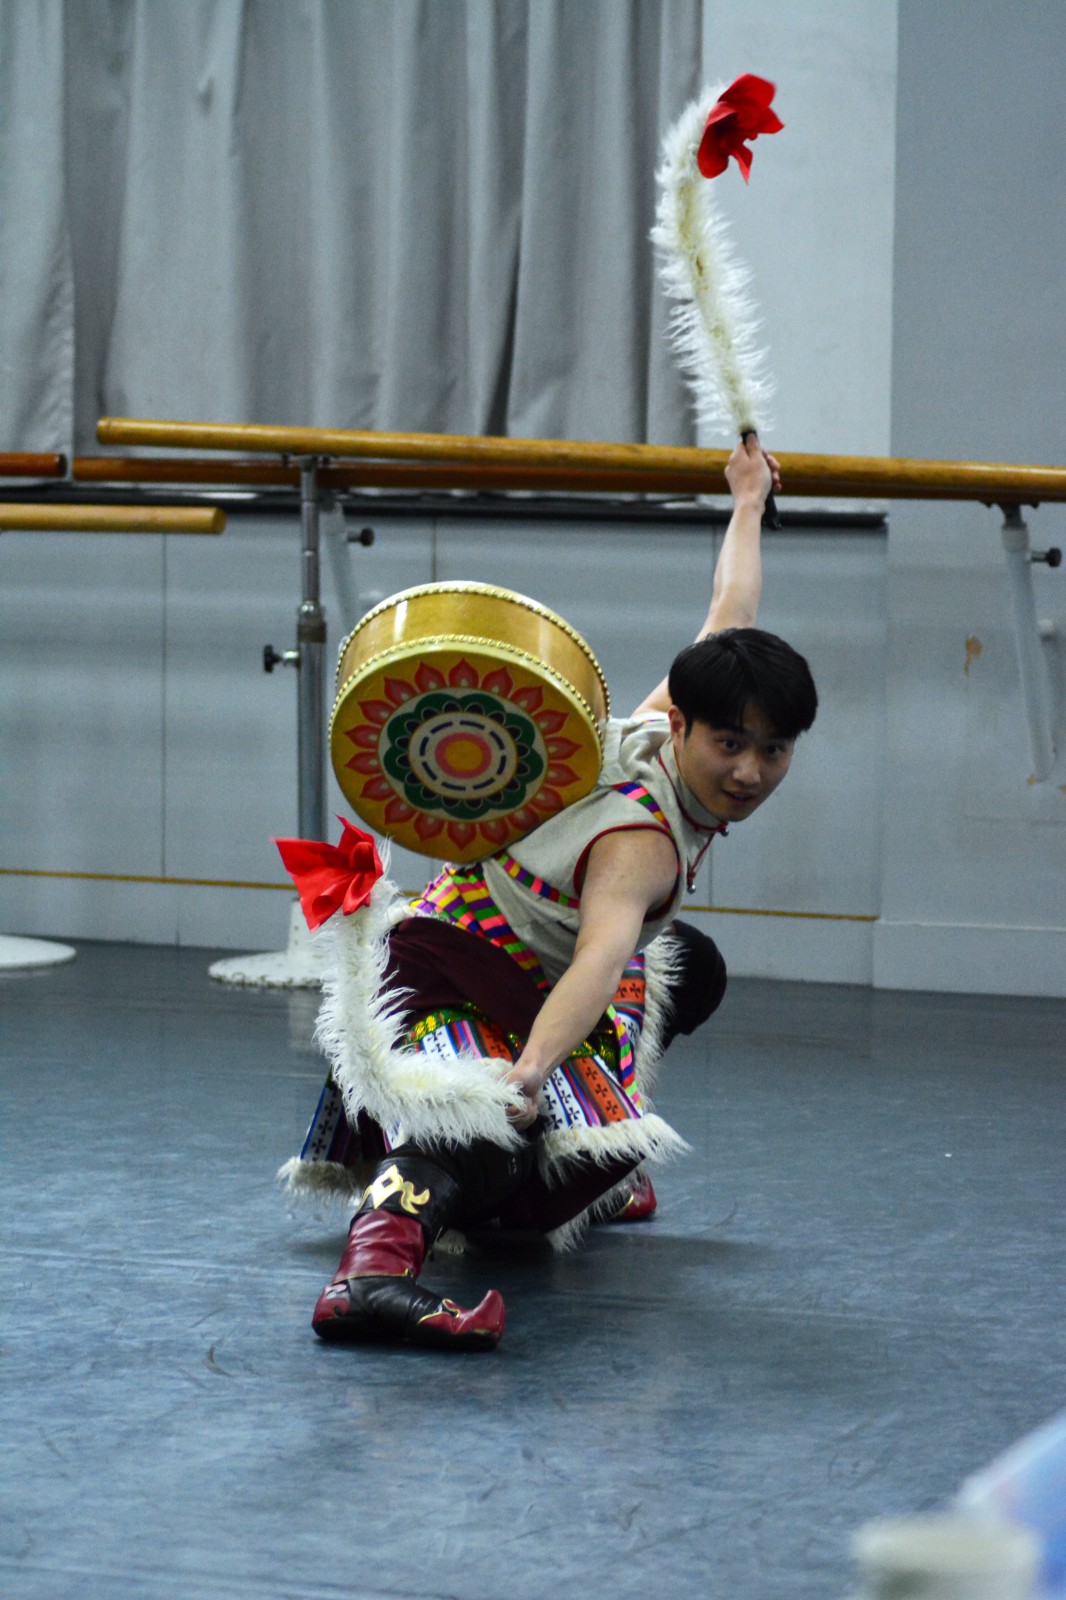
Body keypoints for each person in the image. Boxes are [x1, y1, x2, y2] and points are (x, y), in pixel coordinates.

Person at [280, 435, 817, 1351]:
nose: (749, 772)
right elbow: (600, 965)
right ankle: (369, 1278)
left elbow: (731, 608)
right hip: (452, 975)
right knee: (474, 1126)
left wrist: (745, 502)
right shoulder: (643, 846)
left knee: (692, 966)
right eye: (730, 745)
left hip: (507, 953)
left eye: (773, 750)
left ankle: (579, 1173)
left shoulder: (660, 720)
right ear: (687, 726)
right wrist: (526, 1078)